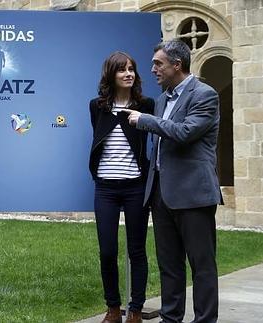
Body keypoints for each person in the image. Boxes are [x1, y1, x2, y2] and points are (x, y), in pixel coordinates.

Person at [123, 40, 222, 323]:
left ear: (176, 65)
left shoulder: (205, 95)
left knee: (201, 266)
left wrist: (145, 120)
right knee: (169, 266)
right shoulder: (163, 98)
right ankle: (171, 318)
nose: (153, 69)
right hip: (162, 194)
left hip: (194, 194)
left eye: (158, 63)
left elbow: (184, 132)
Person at [88, 52, 154, 323]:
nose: (128, 74)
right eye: (122, 70)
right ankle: (113, 308)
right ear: (111, 75)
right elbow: (99, 137)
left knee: (136, 250)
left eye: (132, 69)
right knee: (107, 251)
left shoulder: (146, 105)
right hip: (105, 188)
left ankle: (135, 310)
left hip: (136, 187)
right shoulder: (97, 106)